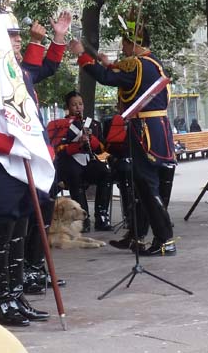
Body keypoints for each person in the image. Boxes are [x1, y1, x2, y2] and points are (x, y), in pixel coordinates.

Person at [0, 10, 70, 328]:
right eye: (11, 36)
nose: (18, 41)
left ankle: (15, 296)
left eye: (17, 36)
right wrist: (10, 145)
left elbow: (32, 117)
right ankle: (1, 303)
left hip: (25, 164)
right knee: (0, 235)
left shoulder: (18, 74)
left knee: (19, 234)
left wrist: (40, 150)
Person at [71, 22, 177, 256]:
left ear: (133, 43)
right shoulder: (151, 62)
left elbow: (107, 78)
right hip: (154, 129)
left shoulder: (139, 65)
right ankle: (136, 235)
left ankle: (165, 239)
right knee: (141, 185)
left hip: (145, 131)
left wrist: (81, 55)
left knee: (147, 185)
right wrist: (110, 64)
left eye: (124, 43)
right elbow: (123, 75)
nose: (122, 48)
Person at [46, 90, 115, 231]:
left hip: (88, 161)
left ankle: (102, 216)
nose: (78, 107)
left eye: (80, 104)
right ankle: (83, 219)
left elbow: (101, 149)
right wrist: (78, 144)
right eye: (74, 105)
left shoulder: (93, 124)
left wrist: (91, 139)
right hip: (68, 163)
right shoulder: (62, 126)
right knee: (74, 174)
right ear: (68, 107)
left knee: (106, 173)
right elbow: (58, 150)